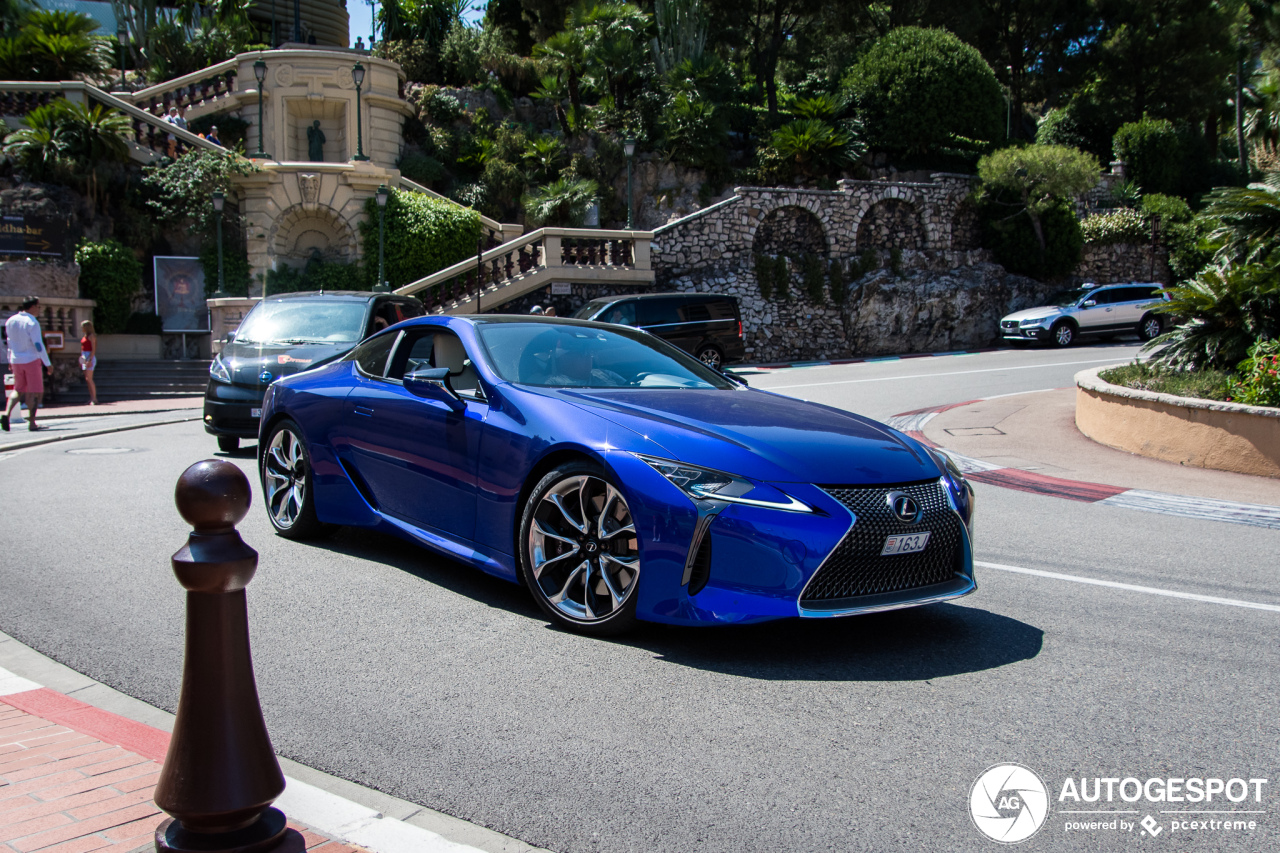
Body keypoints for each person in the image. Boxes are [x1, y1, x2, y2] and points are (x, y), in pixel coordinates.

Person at [2, 297, 53, 432]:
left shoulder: (10, 321)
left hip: (16, 359)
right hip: (31, 359)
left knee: (17, 389)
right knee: (34, 391)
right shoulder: (32, 322)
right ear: (32, 307)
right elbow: (38, 344)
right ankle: (32, 423)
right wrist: (47, 363)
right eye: (38, 306)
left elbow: (9, 342)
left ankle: (6, 414)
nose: (39, 309)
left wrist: (9, 359)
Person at [80, 319, 98, 405]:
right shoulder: (84, 336)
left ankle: (94, 398)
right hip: (83, 356)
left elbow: (93, 349)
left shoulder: (91, 336)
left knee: (89, 379)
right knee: (87, 379)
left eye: (83, 327)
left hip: (89, 356)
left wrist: (89, 360)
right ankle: (91, 397)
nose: (82, 328)